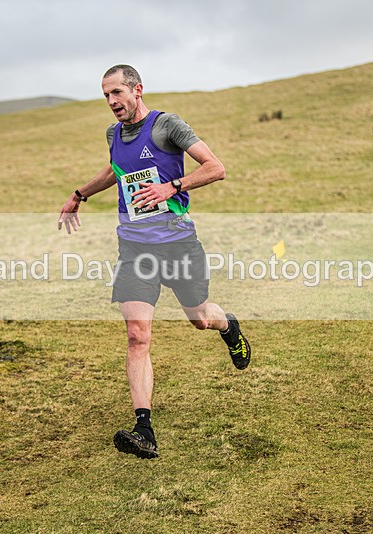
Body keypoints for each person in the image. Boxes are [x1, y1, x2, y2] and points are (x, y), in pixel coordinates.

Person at [57, 64, 251, 460]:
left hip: (178, 245)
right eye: (105, 95)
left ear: (137, 90)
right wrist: (79, 194)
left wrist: (171, 186)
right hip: (134, 249)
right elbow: (116, 171)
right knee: (137, 335)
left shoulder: (168, 126)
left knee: (199, 317)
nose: (111, 102)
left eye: (116, 93)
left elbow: (216, 168)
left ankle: (228, 325)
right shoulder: (114, 134)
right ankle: (144, 428)